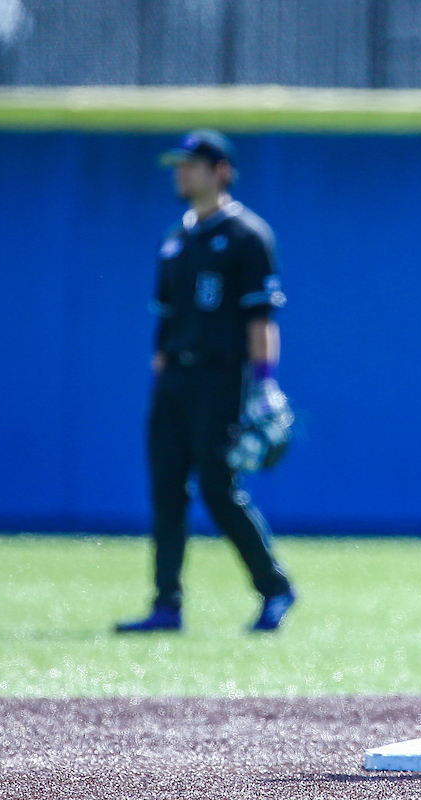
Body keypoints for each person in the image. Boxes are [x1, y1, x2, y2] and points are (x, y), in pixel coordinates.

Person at [115, 130, 296, 634]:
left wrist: (265, 384)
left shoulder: (247, 235)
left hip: (221, 377)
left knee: (219, 489)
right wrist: (159, 384)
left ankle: (275, 588)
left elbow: (260, 319)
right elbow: (165, 320)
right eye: (179, 165)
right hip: (175, 377)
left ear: (221, 171)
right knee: (166, 489)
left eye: (191, 165)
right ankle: (165, 605)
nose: (181, 173)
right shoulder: (175, 238)